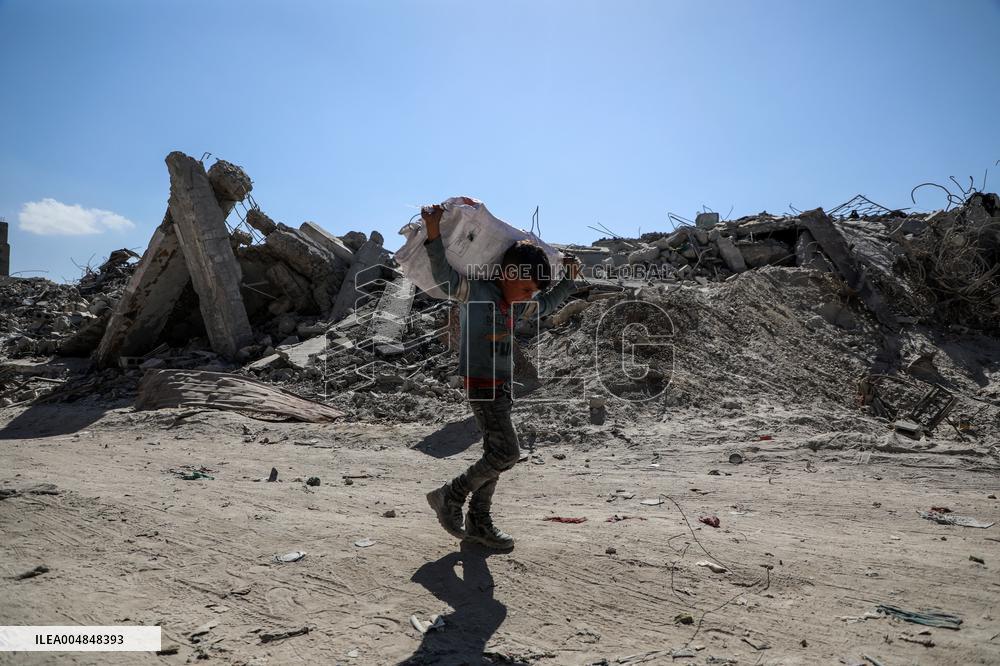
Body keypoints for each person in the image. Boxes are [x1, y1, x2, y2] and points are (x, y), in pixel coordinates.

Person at [421, 201, 581, 550]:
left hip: (502, 385)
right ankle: (451, 495)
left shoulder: (514, 301)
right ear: (509, 275)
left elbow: (548, 305)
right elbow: (445, 279)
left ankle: (479, 521)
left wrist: (568, 281)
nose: (529, 297)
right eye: (525, 289)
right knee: (507, 453)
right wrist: (433, 233)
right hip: (481, 383)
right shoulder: (478, 292)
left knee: (494, 451)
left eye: (531, 293)